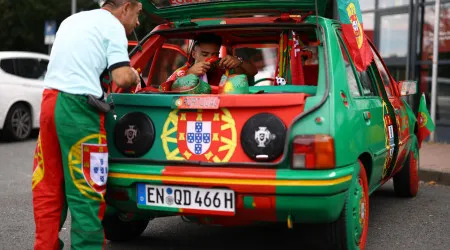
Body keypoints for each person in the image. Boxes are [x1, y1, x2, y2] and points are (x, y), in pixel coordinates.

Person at [31, 0, 142, 249]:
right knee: (87, 190)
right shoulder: (113, 26)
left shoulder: (72, 20)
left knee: (48, 184)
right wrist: (136, 75)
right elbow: (122, 77)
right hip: (79, 111)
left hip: (50, 103)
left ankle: (45, 245)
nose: (137, 23)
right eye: (137, 14)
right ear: (125, 8)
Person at [166, 33, 258, 86]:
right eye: (204, 54)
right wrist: (190, 73)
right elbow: (166, 89)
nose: (210, 58)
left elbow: (253, 71)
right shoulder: (183, 71)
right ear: (194, 54)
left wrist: (239, 62)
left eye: (215, 54)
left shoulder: (222, 67)